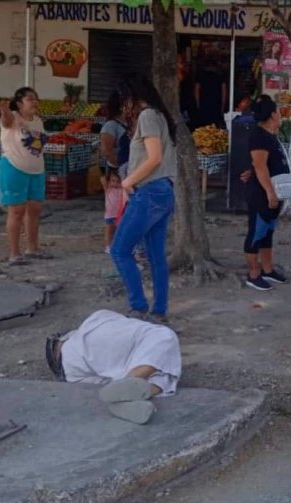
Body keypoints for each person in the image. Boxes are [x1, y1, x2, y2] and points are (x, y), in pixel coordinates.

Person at [110, 73, 177, 321]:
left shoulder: (148, 116)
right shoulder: (160, 116)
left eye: (124, 99)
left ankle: (138, 307)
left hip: (148, 192)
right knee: (156, 257)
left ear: (133, 96)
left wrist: (128, 181)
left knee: (119, 250)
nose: (123, 105)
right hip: (163, 191)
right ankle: (159, 311)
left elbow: (154, 158)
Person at [45, 309, 182, 425]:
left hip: (73, 369)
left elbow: (107, 385)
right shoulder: (96, 318)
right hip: (86, 345)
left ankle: (130, 395)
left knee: (164, 372)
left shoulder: (71, 375)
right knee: (164, 338)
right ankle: (133, 383)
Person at [240, 95, 288, 291]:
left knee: (268, 231)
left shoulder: (271, 135)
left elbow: (262, 164)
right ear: (273, 114)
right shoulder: (259, 136)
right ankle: (253, 274)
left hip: (274, 191)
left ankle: (268, 269)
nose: (280, 115)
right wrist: (270, 192)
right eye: (278, 111)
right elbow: (260, 167)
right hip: (261, 193)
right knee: (257, 231)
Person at [0, 87, 48, 265]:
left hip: (37, 170)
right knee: (16, 211)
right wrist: (4, 110)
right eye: (30, 99)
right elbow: (6, 120)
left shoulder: (38, 121)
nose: (34, 102)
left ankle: (32, 248)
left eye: (35, 99)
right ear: (19, 104)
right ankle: (14, 253)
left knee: (34, 210)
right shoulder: (13, 118)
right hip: (14, 168)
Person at [100, 91, 127, 175]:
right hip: (117, 171)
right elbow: (107, 151)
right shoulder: (110, 126)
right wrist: (120, 165)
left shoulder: (130, 123)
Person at [194, 62, 227, 128]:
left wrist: (197, 105)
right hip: (216, 105)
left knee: (204, 128)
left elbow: (196, 92)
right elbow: (224, 93)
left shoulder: (200, 77)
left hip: (204, 105)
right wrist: (222, 107)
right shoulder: (220, 77)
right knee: (215, 128)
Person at [103, 171, 123, 254]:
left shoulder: (121, 189)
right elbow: (102, 178)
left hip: (119, 214)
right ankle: (108, 247)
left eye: (117, 181)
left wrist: (119, 185)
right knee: (109, 232)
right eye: (113, 181)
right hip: (109, 215)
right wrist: (109, 180)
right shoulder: (107, 188)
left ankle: (116, 246)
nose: (115, 183)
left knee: (118, 231)